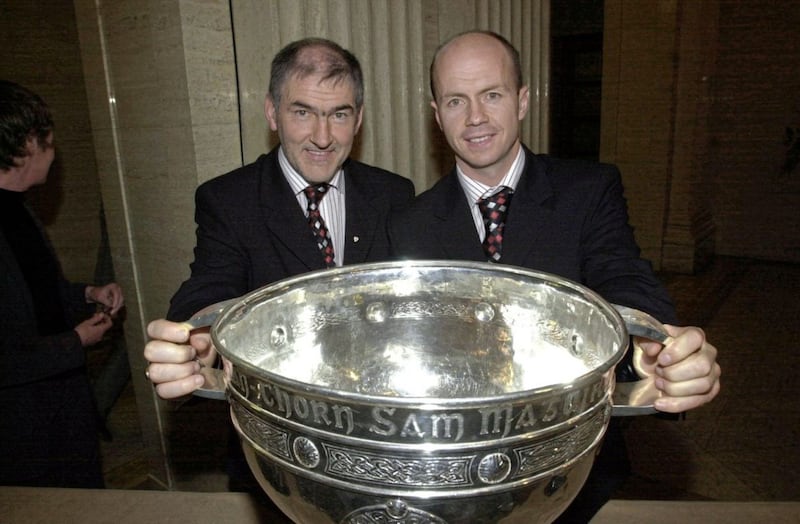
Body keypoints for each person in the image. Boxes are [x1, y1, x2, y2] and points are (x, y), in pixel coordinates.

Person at [388, 30, 721, 521]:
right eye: (456, 100)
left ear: (522, 100)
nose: (475, 117)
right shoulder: (408, 223)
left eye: (492, 95)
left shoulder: (588, 190)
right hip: (456, 481)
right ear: (437, 115)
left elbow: (623, 276)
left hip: (573, 470)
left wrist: (652, 349)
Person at [143, 38, 414, 494]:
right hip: (277, 453)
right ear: (272, 113)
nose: (323, 136)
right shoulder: (229, 200)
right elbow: (211, 281)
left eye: (340, 114)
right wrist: (199, 334)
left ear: (359, 119)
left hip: (376, 448)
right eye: (303, 112)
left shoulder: (393, 194)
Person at [0, 80, 124, 488]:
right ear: (25, 145)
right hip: (22, 422)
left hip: (60, 399)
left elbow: (40, 293)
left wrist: (88, 293)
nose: (55, 151)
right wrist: (75, 342)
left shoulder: (18, 210)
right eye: (48, 140)